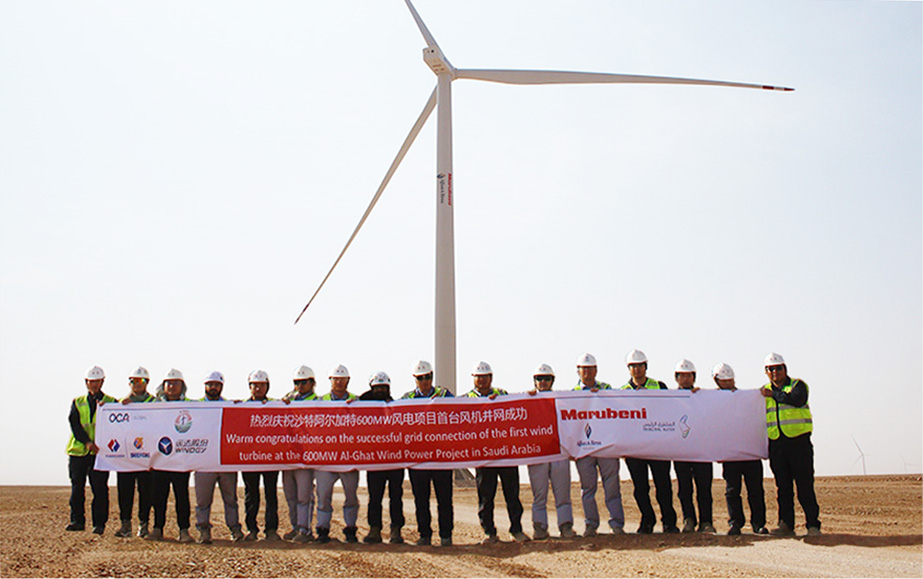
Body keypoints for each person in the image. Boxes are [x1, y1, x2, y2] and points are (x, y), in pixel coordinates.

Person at [466, 361, 530, 544]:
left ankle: (516, 529)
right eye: (478, 377)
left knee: (512, 494)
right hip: (483, 456)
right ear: (473, 378)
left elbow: (518, 409)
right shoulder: (466, 399)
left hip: (505, 454)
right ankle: (489, 532)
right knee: (486, 497)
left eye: (485, 377)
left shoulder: (501, 395)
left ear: (491, 378)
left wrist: (532, 397)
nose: (482, 380)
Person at [761, 352, 820, 536]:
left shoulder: (797, 386)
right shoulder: (762, 392)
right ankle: (786, 525)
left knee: (804, 486)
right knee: (783, 488)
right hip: (777, 445)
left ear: (785, 369)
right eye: (770, 369)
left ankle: (813, 525)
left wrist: (774, 394)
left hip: (799, 443)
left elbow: (797, 400)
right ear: (766, 371)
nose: (775, 372)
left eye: (778, 368)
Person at [621, 349, 679, 534]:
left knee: (663, 486)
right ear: (628, 368)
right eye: (633, 366)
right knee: (640, 488)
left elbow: (672, 409)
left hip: (658, 446)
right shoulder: (621, 392)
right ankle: (647, 520)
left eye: (640, 366)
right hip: (634, 449)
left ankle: (669, 522)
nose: (637, 369)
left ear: (646, 367)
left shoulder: (659, 386)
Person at [402, 360, 455, 546]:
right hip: (418, 460)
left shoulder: (444, 395)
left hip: (441, 458)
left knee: (445, 499)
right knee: (421, 500)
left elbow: (461, 410)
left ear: (432, 377)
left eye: (427, 377)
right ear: (414, 379)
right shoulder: (406, 399)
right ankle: (424, 534)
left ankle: (446, 535)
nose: (424, 381)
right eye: (420, 378)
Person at [572, 353, 625, 536]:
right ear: (578, 371)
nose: (587, 372)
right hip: (585, 449)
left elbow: (618, 408)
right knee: (588, 489)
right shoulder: (572, 394)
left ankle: (616, 524)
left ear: (596, 370)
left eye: (590, 369)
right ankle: (591, 524)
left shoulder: (606, 389)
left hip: (606, 448)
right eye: (583, 369)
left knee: (612, 487)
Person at [712, 362, 767, 536]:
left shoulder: (747, 399)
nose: (728, 383)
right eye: (724, 381)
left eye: (730, 380)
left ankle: (758, 524)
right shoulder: (712, 400)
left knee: (755, 490)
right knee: (732, 491)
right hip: (731, 455)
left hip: (751, 453)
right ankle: (735, 523)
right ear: (716, 381)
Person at [194, 371, 244, 544]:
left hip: (225, 462)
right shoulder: (196, 407)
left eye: (216, 385)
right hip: (204, 463)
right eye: (210, 384)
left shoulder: (230, 406)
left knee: (230, 499)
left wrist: (240, 407)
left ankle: (234, 529)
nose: (213, 387)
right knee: (203, 501)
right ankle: (203, 530)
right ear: (205, 386)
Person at [66, 365, 117, 534]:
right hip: (79, 452)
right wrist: (88, 442)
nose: (94, 384)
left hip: (100, 454)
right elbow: (75, 425)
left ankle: (99, 524)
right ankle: (77, 521)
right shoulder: (78, 402)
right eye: (91, 381)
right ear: (86, 382)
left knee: (100, 489)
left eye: (97, 381)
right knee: (77, 488)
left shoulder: (111, 402)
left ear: (102, 382)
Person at [526, 363, 575, 539]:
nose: (543, 382)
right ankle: (540, 527)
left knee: (563, 494)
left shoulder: (562, 401)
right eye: (539, 378)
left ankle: (565, 526)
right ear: (534, 381)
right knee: (539, 494)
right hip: (537, 454)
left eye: (547, 378)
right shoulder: (526, 402)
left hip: (558, 452)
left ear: (552, 380)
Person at [358, 371, 405, 544]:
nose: (380, 391)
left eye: (383, 387)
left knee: (396, 497)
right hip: (375, 460)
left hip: (395, 460)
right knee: (375, 497)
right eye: (377, 388)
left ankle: (396, 530)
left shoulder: (397, 408)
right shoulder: (363, 407)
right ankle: (374, 529)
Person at [147, 368, 193, 543]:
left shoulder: (192, 405)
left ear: (182, 386)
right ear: (163, 386)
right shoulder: (154, 405)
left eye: (176, 383)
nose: (172, 387)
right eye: (169, 383)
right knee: (158, 496)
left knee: (182, 496)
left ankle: (184, 530)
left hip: (181, 461)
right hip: (159, 460)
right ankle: (157, 528)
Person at [315, 364, 360, 543]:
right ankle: (322, 528)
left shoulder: (358, 402)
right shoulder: (319, 401)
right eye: (336, 379)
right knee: (323, 496)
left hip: (349, 459)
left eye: (342, 379)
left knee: (351, 496)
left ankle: (350, 528)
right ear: (330, 381)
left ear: (348, 380)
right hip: (325, 460)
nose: (339, 382)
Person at [671, 359, 715, 533]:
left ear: (694, 377)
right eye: (681, 375)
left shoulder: (703, 397)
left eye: (688, 375)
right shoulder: (669, 399)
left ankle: (706, 522)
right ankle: (688, 520)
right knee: (684, 488)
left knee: (704, 488)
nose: (685, 379)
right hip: (681, 451)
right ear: (676, 378)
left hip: (702, 450)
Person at [239, 369, 281, 541]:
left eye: (262, 385)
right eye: (254, 385)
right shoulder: (241, 407)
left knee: (271, 494)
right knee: (251, 494)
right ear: (249, 386)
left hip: (270, 458)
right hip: (249, 458)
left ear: (267, 386)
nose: (258, 388)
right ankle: (252, 529)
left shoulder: (275, 406)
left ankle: (271, 530)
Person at [114, 366, 155, 538]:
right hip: (126, 457)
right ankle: (125, 525)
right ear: (129, 383)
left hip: (147, 458)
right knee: (125, 492)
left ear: (147, 382)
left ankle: (143, 525)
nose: (137, 384)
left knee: (145, 492)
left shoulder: (156, 404)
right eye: (134, 381)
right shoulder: (120, 404)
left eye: (141, 380)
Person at [280, 365, 318, 543]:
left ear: (312, 383)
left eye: (303, 382)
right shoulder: (288, 400)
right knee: (291, 495)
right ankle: (295, 527)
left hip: (306, 459)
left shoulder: (318, 402)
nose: (300, 386)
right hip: (289, 457)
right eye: (297, 382)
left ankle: (305, 529)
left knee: (304, 496)